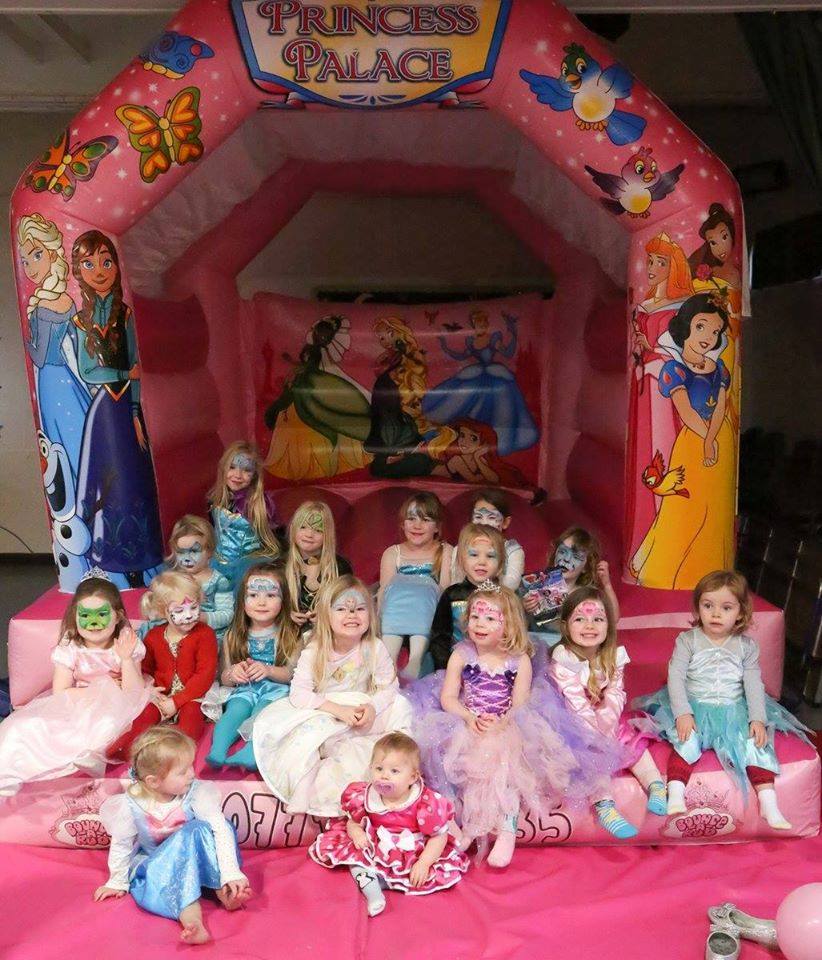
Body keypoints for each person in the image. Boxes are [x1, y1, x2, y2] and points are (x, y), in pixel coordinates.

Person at [409, 584, 591, 867]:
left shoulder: (519, 661)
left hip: (505, 722)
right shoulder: (462, 655)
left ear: (509, 625)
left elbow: (520, 704)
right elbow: (448, 697)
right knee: (456, 763)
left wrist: (504, 721)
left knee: (506, 766)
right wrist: (469, 717)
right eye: (475, 617)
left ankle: (507, 830)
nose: (480, 624)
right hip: (469, 720)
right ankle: (465, 828)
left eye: (490, 618)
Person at [635, 570, 812, 828]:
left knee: (755, 745)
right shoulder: (688, 640)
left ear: (740, 613)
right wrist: (683, 712)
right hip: (695, 705)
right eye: (708, 606)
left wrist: (757, 719)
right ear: (698, 608)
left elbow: (753, 684)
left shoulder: (746, 646)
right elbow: (675, 677)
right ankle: (675, 793)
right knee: (686, 741)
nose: (716, 614)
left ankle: (769, 802)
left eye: (726, 608)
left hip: (733, 708)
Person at [250, 576, 413, 817]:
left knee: (401, 704)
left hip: (360, 710)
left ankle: (399, 758)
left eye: (359, 609)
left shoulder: (374, 647)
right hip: (328, 712)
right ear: (326, 615)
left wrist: (372, 708)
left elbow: (389, 687)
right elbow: (299, 693)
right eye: (342, 609)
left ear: (370, 615)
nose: (352, 615)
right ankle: (305, 782)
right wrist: (337, 710)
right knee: (310, 732)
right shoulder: (315, 649)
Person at [95, 727, 251, 945]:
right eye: (182, 771)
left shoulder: (196, 793)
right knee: (180, 884)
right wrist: (117, 881)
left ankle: (226, 893)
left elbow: (219, 829)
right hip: (160, 867)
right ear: (153, 781)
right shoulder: (131, 804)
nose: (192, 774)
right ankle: (193, 923)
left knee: (201, 828)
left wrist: (231, 873)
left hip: (197, 865)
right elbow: (122, 844)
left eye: (191, 766)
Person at [0, 575, 149, 795]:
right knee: (25, 726)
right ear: (75, 616)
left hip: (115, 707)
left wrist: (126, 659)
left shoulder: (126, 644)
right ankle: (10, 774)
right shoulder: (70, 647)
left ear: (117, 616)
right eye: (85, 616)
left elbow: (133, 692)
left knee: (105, 726)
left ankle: (87, 762)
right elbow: (60, 691)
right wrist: (98, 691)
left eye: (101, 614)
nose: (94, 623)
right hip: (76, 702)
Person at [71, 230, 162, 585]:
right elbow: (88, 370)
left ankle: (141, 556)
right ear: (79, 271)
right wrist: (124, 373)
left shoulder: (126, 315)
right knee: (105, 481)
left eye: (106, 262)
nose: (99, 271)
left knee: (135, 479)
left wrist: (137, 412)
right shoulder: (82, 320)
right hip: (106, 410)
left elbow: (137, 366)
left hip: (126, 410)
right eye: (89, 263)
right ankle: (107, 555)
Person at [630, 294, 735, 588]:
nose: (708, 336)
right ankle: (673, 568)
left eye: (715, 331)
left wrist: (712, 439)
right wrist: (706, 439)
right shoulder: (674, 370)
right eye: (701, 326)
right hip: (692, 442)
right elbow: (685, 411)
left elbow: (721, 406)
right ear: (686, 325)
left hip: (720, 436)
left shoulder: (720, 369)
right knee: (685, 505)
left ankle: (709, 567)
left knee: (714, 505)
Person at [309, 732, 469, 916]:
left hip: (412, 850)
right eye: (379, 769)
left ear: (412, 777)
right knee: (357, 861)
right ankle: (373, 893)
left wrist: (424, 863)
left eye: (394, 771)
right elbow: (353, 822)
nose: (384, 776)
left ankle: (384, 881)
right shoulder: (366, 796)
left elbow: (438, 836)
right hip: (377, 845)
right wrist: (357, 834)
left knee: (422, 874)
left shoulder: (424, 802)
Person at [550, 586, 665, 839]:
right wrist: (596, 735)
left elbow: (616, 693)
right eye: (580, 619)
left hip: (607, 719)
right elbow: (575, 701)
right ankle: (604, 806)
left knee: (632, 741)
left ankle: (655, 785)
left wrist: (607, 725)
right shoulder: (563, 658)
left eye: (598, 619)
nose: (589, 626)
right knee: (591, 756)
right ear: (566, 626)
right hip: (574, 725)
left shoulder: (613, 656)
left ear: (608, 625)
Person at [106, 571, 218, 763]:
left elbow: (204, 675)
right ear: (162, 611)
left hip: (194, 694)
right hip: (163, 695)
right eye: (179, 611)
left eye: (194, 607)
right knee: (145, 715)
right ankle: (126, 747)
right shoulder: (154, 636)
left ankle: (178, 752)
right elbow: (146, 670)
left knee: (191, 717)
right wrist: (150, 690)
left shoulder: (205, 634)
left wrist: (177, 701)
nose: (189, 615)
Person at [17, 213, 89, 481]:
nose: (30, 268)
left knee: (62, 440)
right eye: (25, 261)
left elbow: (39, 356)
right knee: (80, 433)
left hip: (50, 380)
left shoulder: (43, 308)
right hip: (68, 378)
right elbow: (78, 343)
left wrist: (26, 343)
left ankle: (77, 486)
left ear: (51, 253)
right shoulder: (68, 302)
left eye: (36, 255)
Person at [203, 564, 297, 769]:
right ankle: (217, 750)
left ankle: (252, 752)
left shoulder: (291, 635)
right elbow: (225, 679)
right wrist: (233, 673)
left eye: (271, 595)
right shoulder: (233, 635)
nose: (261, 602)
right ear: (242, 601)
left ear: (284, 600)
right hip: (245, 689)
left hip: (276, 692)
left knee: (264, 714)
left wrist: (269, 670)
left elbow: (291, 674)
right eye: (253, 595)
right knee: (234, 711)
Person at [378, 493, 453, 678]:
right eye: (411, 519)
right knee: (396, 589)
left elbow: (444, 590)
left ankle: (416, 660)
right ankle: (388, 660)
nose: (417, 526)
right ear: (402, 524)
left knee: (425, 590)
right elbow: (385, 591)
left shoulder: (446, 551)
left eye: (425, 520)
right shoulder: (392, 553)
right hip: (395, 614)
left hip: (430, 615)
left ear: (437, 527)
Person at [522, 526, 619, 645]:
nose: (566, 559)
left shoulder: (585, 594)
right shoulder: (537, 584)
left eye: (576, 557)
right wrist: (525, 608)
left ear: (586, 567)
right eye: (562, 552)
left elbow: (613, 619)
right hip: (537, 644)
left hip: (570, 649)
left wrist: (607, 585)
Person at [429, 523, 504, 672]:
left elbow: (514, 636)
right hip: (457, 667)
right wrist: (446, 669)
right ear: (461, 559)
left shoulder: (504, 597)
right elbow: (440, 637)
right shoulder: (452, 595)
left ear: (501, 563)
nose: (482, 562)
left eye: (490, 556)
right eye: (474, 555)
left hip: (496, 670)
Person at [208, 441, 282, 587]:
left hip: (248, 563)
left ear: (254, 475)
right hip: (220, 560)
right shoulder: (216, 499)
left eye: (247, 470)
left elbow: (274, 534)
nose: (238, 475)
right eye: (232, 467)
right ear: (223, 468)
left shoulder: (258, 504)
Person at [283, 501, 352, 638]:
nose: (309, 534)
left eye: (318, 530)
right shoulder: (280, 566)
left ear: (327, 535)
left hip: (328, 637)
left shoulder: (340, 567)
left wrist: (327, 615)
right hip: (288, 637)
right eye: (303, 527)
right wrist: (286, 615)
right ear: (293, 529)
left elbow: (350, 605)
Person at [167, 515, 234, 646]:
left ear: (209, 551)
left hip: (210, 637)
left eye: (194, 551)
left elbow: (227, 615)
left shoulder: (219, 582)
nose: (187, 558)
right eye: (181, 552)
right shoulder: (174, 579)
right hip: (180, 635)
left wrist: (202, 618)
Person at [450, 488, 525, 590]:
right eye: (479, 517)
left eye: (491, 518)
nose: (484, 524)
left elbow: (510, 586)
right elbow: (456, 583)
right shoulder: (461, 548)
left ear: (505, 522)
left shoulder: (512, 551)